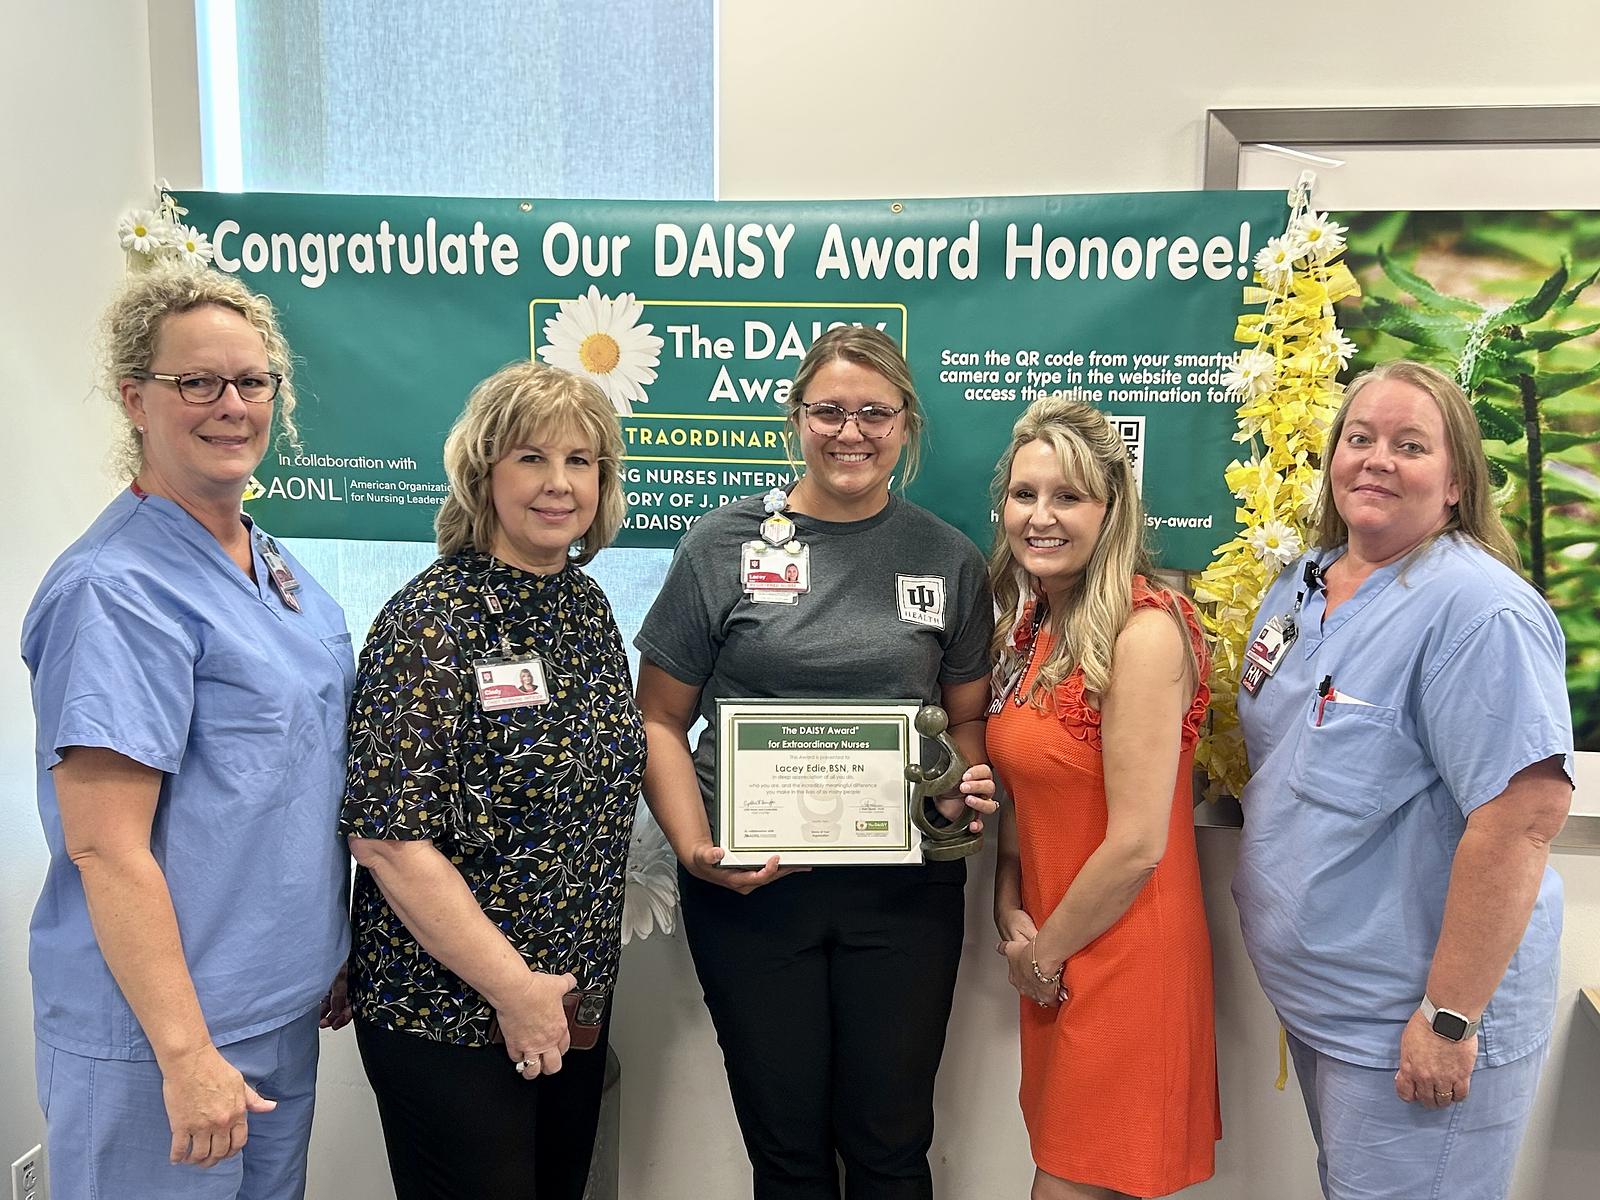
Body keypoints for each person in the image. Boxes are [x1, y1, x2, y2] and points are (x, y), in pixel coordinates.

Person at [635, 325, 997, 1200]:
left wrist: (960, 792)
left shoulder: (948, 559)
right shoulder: (722, 547)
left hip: (901, 896)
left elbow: (967, 721)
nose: (851, 432)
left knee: (890, 1147)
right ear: (795, 418)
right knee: (788, 1153)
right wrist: (695, 853)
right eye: (829, 410)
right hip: (752, 891)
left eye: (875, 412)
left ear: (906, 426)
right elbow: (656, 720)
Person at [20, 266, 354, 1199]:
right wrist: (183, 1053)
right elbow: (104, 847)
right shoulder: (115, 590)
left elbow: (291, 776)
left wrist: (320, 950)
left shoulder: (270, 559)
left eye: (252, 383)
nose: (231, 405)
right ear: (135, 398)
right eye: (196, 383)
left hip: (273, 1009)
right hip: (165, 1037)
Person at [1233, 360, 1574, 1200]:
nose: (1377, 459)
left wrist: (1449, 1018)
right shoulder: (1301, 584)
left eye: (1410, 445)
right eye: (1360, 438)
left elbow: (1523, 817)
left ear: (1456, 482)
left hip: (1413, 1020)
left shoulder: (1478, 612)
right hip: (1328, 1005)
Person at [340, 361, 645, 1200]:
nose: (558, 484)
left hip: (569, 1002)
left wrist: (549, 999)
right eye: (530, 459)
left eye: (580, 461)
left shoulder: (584, 607)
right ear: (484, 474)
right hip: (450, 1015)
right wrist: (514, 991)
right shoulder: (429, 622)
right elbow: (388, 839)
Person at [985, 397, 1219, 1199]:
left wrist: (1041, 957)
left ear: (1112, 509)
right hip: (1054, 957)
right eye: (1025, 494)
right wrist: (1007, 902)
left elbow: (1137, 844)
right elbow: (1027, 796)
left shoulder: (1144, 633)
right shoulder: (1035, 628)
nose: (1040, 517)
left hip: (1122, 960)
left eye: (1068, 497)